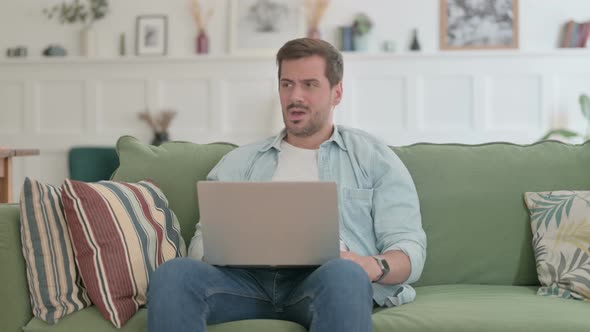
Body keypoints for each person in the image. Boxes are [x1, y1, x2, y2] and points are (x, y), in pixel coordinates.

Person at [148, 38, 427, 332]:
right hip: (243, 284)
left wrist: (371, 266)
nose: (295, 96)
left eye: (309, 84)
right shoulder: (238, 163)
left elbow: (409, 250)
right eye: (287, 84)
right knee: (174, 274)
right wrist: (223, 252)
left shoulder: (374, 158)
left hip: (325, 283)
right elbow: (202, 243)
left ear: (337, 92)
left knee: (345, 274)